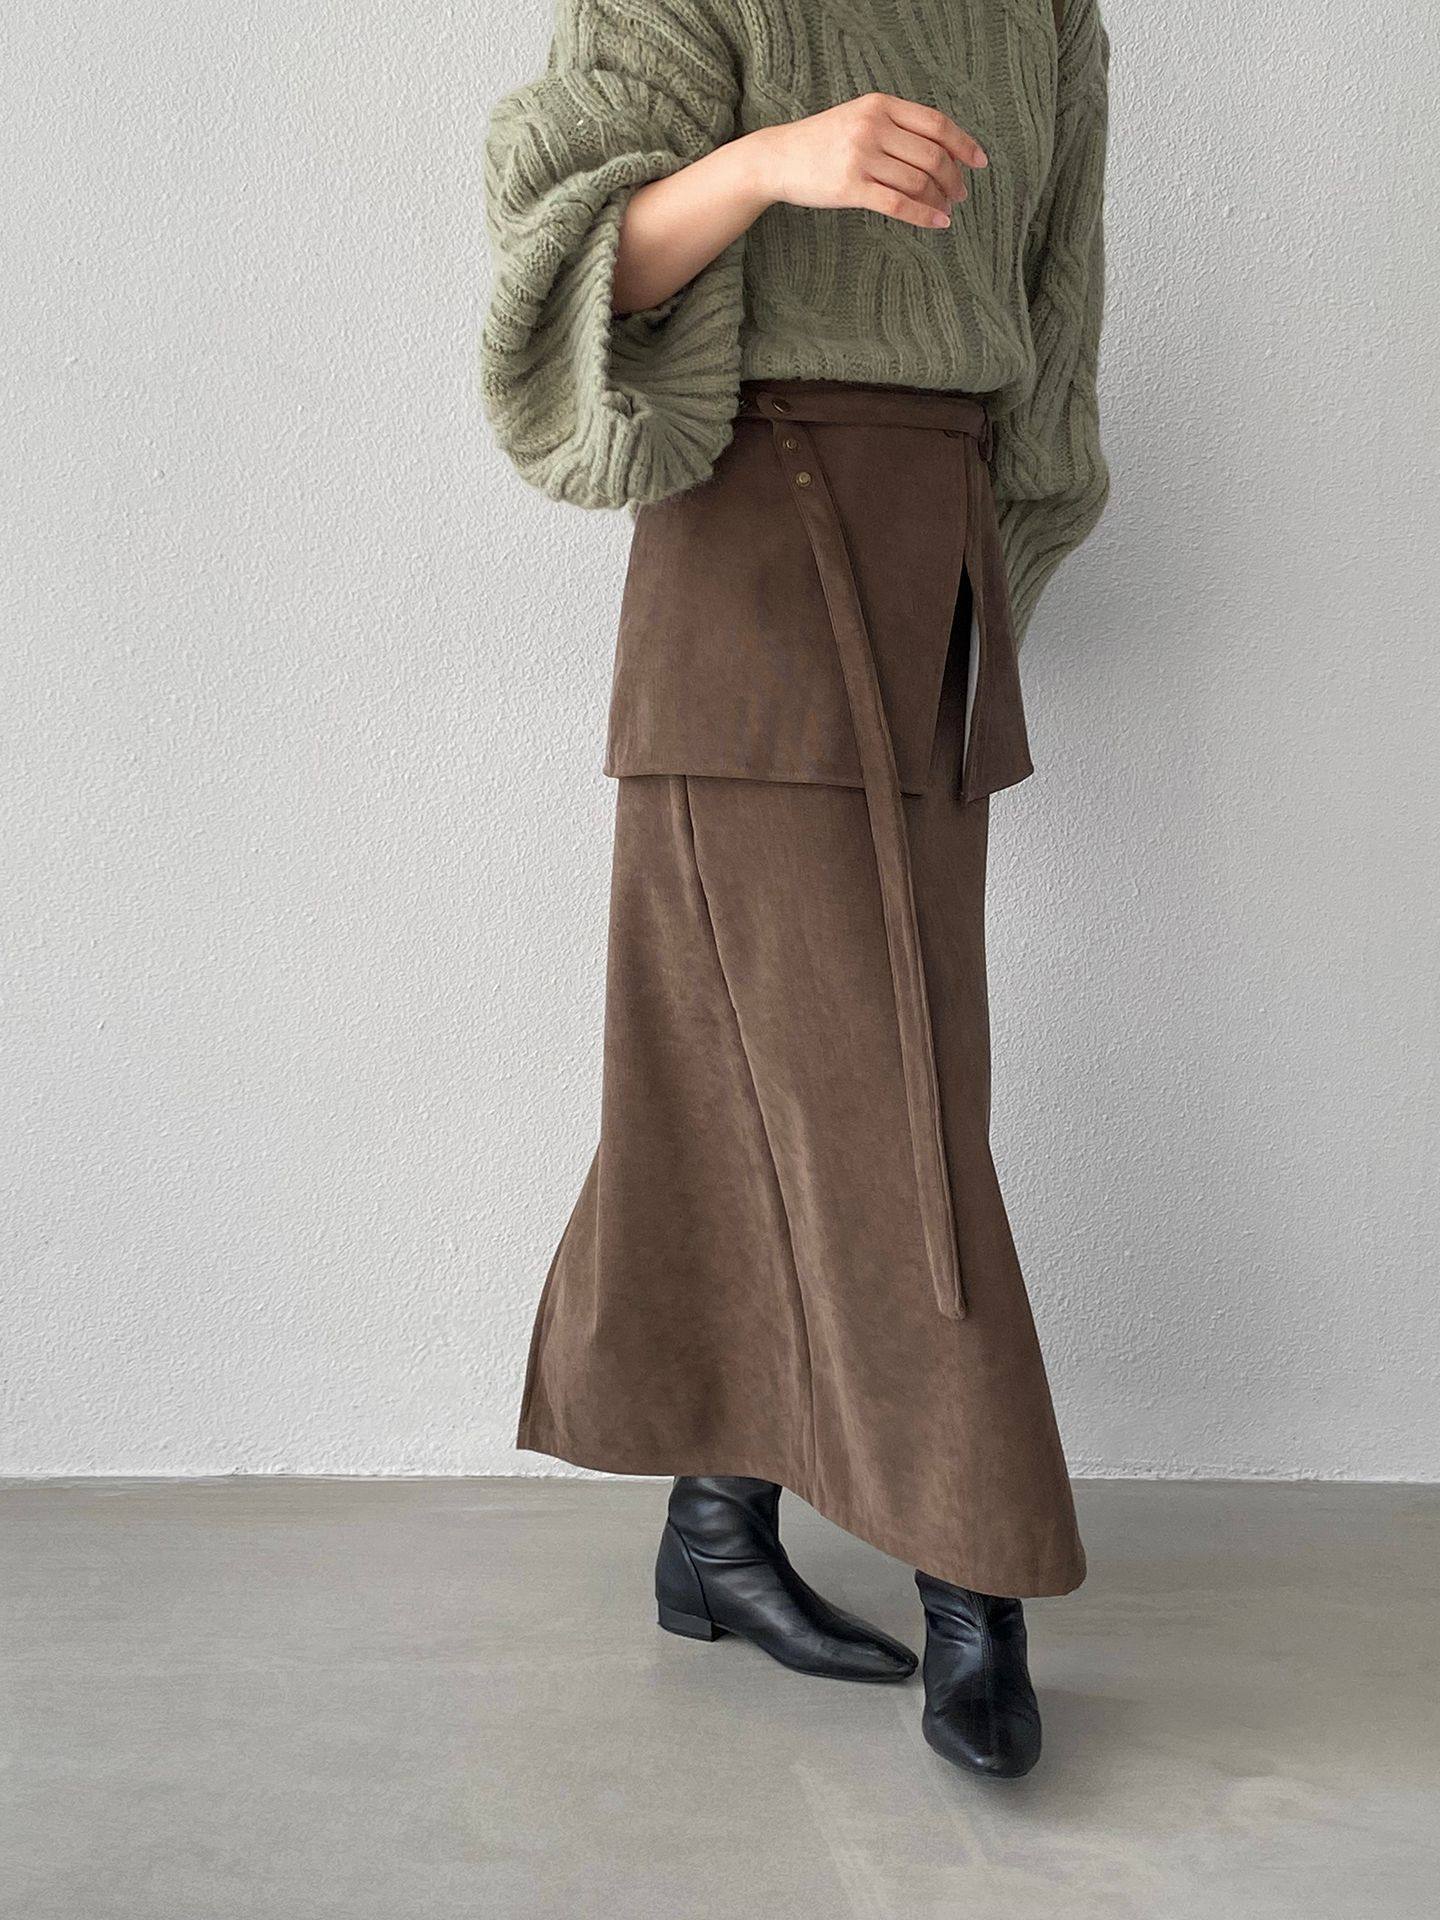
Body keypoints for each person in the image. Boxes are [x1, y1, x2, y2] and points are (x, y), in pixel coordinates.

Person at [481, 0, 1110, 1779]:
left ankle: (714, 1524)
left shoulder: (1050, 12)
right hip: (753, 547)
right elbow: (565, 265)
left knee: (803, 1072)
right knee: (876, 1093)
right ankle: (976, 1577)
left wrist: (990, 579)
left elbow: (1059, 322)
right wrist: (772, 164)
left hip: (935, 565)